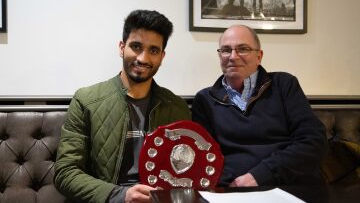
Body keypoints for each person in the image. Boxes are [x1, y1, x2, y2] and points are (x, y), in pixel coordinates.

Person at [54, 10, 191, 203]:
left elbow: (186, 169)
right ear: (121, 47)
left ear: (162, 56)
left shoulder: (177, 107)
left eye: (153, 50)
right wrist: (120, 195)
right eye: (136, 46)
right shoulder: (86, 101)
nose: (143, 58)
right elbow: (65, 173)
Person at [192, 25, 328, 198]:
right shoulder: (205, 100)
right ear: (220, 56)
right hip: (232, 192)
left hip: (290, 187)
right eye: (226, 50)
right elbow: (206, 158)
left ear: (259, 56)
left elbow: (313, 142)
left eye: (243, 49)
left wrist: (259, 176)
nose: (233, 57)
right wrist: (233, 187)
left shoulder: (284, 85)